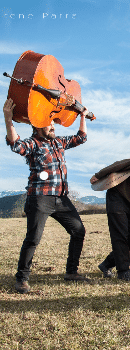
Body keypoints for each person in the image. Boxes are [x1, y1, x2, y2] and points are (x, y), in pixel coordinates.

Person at [3, 98, 90, 294]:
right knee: (33, 238)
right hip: (40, 198)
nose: (52, 125)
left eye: (52, 122)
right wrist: (8, 119)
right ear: (37, 127)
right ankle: (22, 279)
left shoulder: (59, 142)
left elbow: (81, 137)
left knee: (78, 230)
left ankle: (71, 272)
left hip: (61, 198)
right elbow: (16, 145)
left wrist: (82, 116)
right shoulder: (33, 144)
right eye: (48, 123)